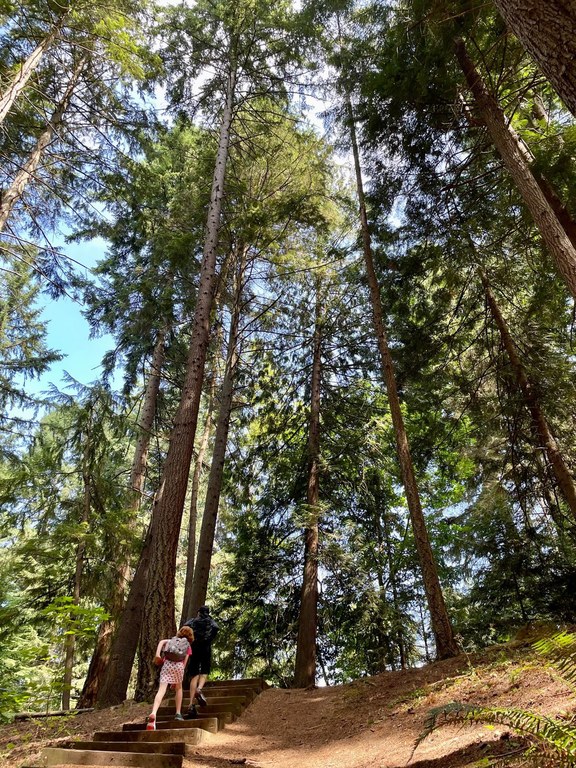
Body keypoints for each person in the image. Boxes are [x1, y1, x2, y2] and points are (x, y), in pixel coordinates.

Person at [146, 625, 194, 730]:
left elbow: (161, 642)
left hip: (167, 664)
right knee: (179, 688)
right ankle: (178, 713)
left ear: (180, 632)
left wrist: (158, 654)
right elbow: (185, 662)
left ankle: (154, 713)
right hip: (179, 667)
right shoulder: (188, 646)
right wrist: (179, 674)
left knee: (161, 690)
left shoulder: (171, 641)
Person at [182, 605, 219, 718]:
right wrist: (209, 638)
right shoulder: (210, 622)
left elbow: (184, 627)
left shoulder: (193, 621)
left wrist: (191, 638)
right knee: (204, 671)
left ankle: (191, 704)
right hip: (206, 648)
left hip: (194, 647)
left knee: (194, 674)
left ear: (198, 612)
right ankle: (199, 689)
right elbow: (216, 627)